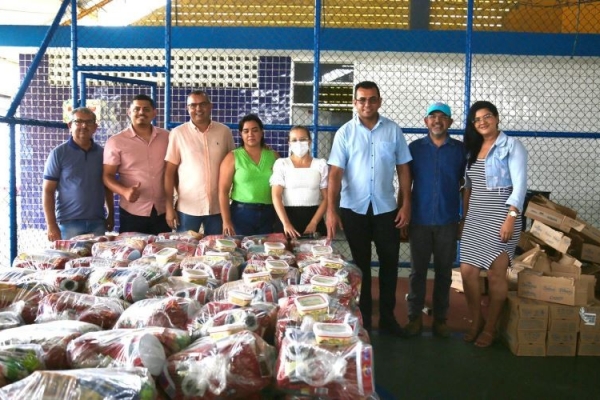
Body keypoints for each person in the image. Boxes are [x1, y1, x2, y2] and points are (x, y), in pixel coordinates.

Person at [327, 81, 412, 336]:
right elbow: (335, 174)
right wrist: (331, 210)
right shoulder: (345, 133)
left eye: (372, 99)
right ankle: (363, 319)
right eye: (362, 99)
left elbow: (404, 169)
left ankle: (387, 318)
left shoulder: (393, 130)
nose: (367, 104)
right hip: (354, 210)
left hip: (386, 210)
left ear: (379, 101)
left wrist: (405, 204)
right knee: (359, 268)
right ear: (355, 103)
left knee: (390, 264)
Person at [460, 101, 527, 347]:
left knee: (496, 274)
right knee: (468, 272)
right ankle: (476, 320)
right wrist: (464, 217)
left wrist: (511, 218)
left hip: (502, 215)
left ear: (497, 118)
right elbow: (468, 187)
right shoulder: (472, 149)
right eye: (477, 119)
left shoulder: (512, 146)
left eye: (487, 116)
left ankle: (490, 327)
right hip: (476, 216)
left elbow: (520, 185)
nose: (482, 122)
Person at [403, 102, 467, 338]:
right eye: (433, 116)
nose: (437, 120)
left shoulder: (460, 151)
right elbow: (405, 184)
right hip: (419, 220)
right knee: (417, 272)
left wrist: (463, 219)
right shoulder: (414, 149)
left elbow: (466, 187)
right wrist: (404, 213)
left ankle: (440, 320)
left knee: (444, 273)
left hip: (447, 221)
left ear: (450, 122)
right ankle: (414, 318)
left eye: (442, 117)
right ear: (426, 121)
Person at [164, 90, 234, 234]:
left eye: (202, 104)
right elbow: (169, 173)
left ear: (210, 106)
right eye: (193, 105)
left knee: (215, 246)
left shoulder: (224, 132)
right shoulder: (178, 133)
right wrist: (169, 207)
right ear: (187, 108)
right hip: (188, 208)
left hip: (218, 207)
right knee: (185, 245)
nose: (198, 109)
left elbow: (234, 163)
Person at [103, 94, 171, 234]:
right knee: (131, 248)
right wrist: (124, 191)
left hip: (162, 210)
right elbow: (107, 176)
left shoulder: (167, 137)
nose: (141, 112)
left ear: (154, 113)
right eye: (136, 109)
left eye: (146, 109)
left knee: (163, 247)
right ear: (129, 112)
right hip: (132, 212)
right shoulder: (116, 141)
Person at [42, 107, 114, 240]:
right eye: (78, 121)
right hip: (68, 223)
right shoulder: (58, 154)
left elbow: (108, 187)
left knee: (97, 254)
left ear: (95, 127)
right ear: (70, 125)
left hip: (97, 222)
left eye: (89, 122)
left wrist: (110, 214)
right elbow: (48, 190)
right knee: (69, 254)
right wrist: (51, 225)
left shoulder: (103, 154)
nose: (84, 126)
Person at [219, 114, 279, 236]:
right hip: (241, 214)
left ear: (262, 132)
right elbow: (223, 191)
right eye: (246, 131)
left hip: (269, 214)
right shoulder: (232, 157)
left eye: (255, 130)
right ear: (241, 134)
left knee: (265, 247)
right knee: (241, 247)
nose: (250, 134)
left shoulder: (274, 156)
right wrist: (226, 221)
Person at [270, 125, 328, 238]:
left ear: (309, 141)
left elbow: (327, 198)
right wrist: (286, 223)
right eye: (294, 140)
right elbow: (276, 196)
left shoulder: (320, 164)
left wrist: (314, 223)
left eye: (302, 139)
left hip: (314, 219)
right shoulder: (282, 164)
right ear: (289, 143)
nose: (299, 143)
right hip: (286, 220)